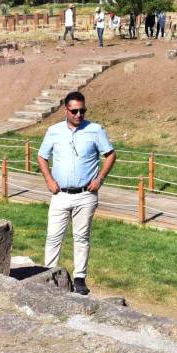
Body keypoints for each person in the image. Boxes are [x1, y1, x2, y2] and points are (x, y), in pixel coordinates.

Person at [37, 92, 116, 295]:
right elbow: (41, 156)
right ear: (66, 110)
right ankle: (49, 273)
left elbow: (110, 155)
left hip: (85, 195)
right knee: (54, 235)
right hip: (60, 193)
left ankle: (80, 278)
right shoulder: (53, 131)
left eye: (82, 110)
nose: (79, 114)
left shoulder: (95, 130)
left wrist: (99, 179)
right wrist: (49, 180)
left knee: (82, 236)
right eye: (74, 111)